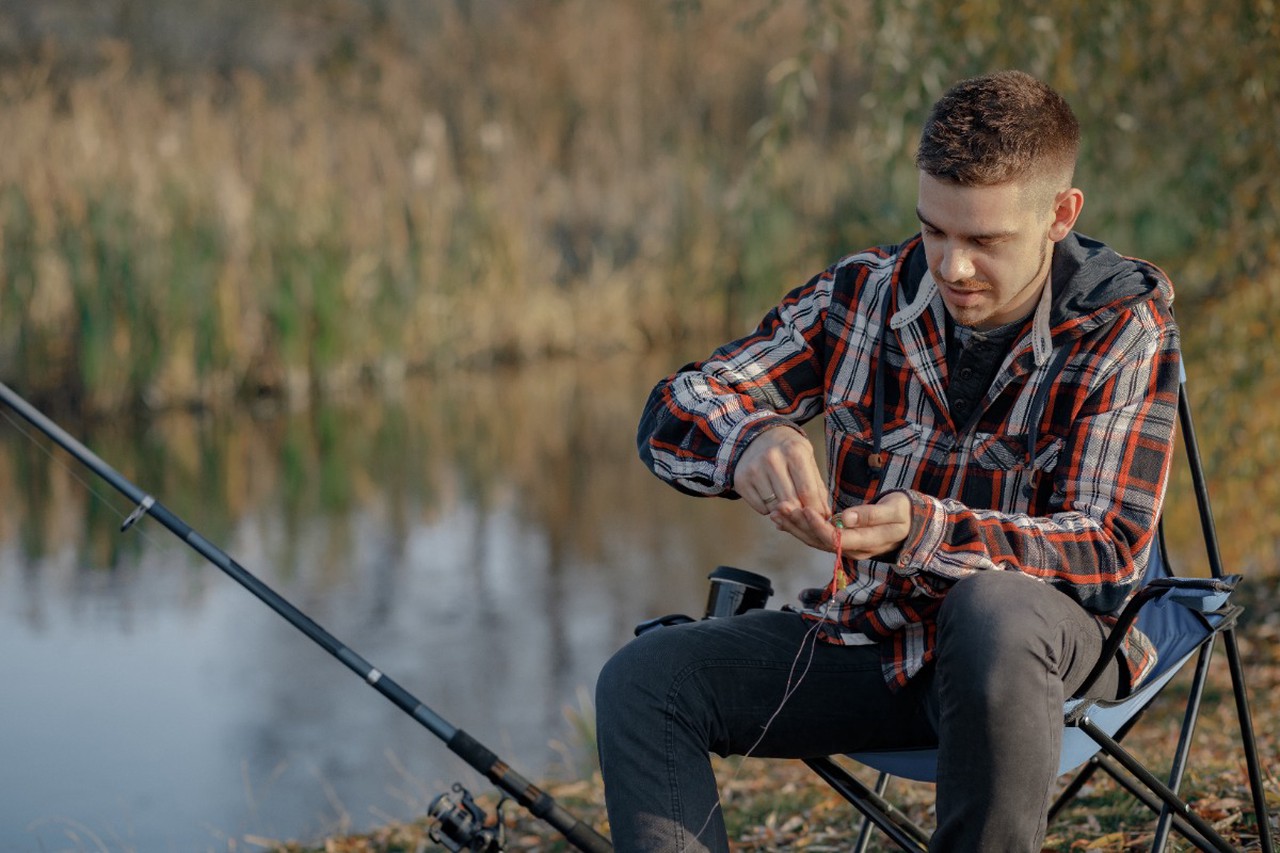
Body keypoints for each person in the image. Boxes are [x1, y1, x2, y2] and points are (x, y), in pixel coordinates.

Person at [594, 70, 1181, 852]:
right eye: (934, 230)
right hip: (877, 640)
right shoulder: (859, 295)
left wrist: (923, 529)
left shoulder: (1123, 329)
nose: (952, 266)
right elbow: (679, 405)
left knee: (991, 610)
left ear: (1059, 215)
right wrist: (750, 442)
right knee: (646, 678)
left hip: (1041, 659)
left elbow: (1108, 551)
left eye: (984, 240)